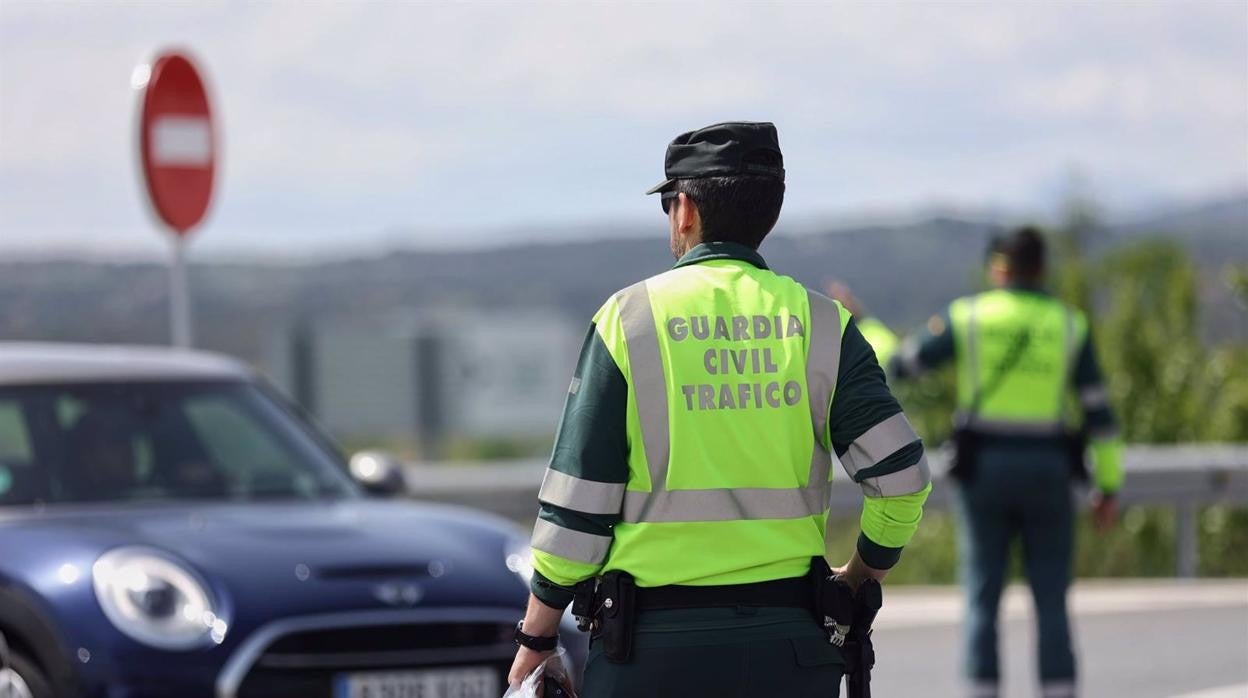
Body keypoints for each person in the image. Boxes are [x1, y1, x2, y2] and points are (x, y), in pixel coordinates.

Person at [507, 122, 932, 697]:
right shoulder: (824, 324)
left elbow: (578, 509)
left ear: (684, 210)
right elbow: (903, 478)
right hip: (791, 652)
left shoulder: (628, 320)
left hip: (650, 656)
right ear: (769, 214)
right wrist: (859, 577)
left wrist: (538, 636)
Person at [889, 227, 1125, 698]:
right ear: (1042, 269)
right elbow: (1100, 415)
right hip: (1050, 474)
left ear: (998, 268)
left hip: (984, 474)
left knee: (981, 598)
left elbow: (905, 365)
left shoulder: (971, 316)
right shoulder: (1069, 324)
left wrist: (868, 326)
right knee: (1052, 600)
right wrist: (1109, 488)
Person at [826, 281, 899, 366]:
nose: (847, 303)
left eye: (848, 297)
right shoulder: (841, 345)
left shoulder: (871, 324)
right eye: (839, 303)